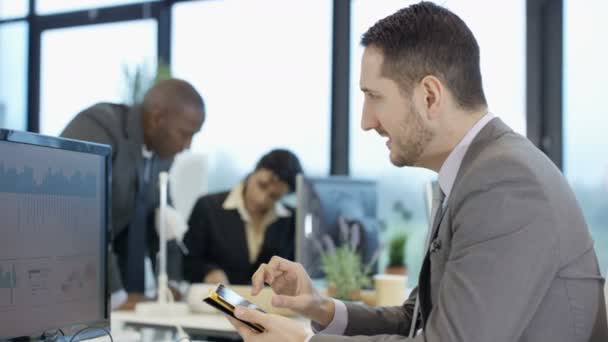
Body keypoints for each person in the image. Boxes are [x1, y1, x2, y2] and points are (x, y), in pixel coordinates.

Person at [228, 2, 608, 342]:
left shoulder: (505, 184)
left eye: (374, 96)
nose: (365, 121)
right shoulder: (472, 173)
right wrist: (318, 307)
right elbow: (416, 319)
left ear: (429, 96)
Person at [61, 78, 205, 310]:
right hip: (60, 274)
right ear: (157, 118)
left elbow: (164, 219)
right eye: (185, 134)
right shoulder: (97, 127)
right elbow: (79, 217)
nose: (188, 146)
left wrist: (172, 283)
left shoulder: (161, 153)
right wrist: (117, 296)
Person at [183, 149, 303, 285]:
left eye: (274, 196)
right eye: (261, 185)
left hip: (268, 303)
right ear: (253, 172)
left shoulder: (291, 219)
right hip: (218, 300)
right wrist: (209, 272)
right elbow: (187, 262)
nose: (261, 199)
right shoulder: (208, 207)